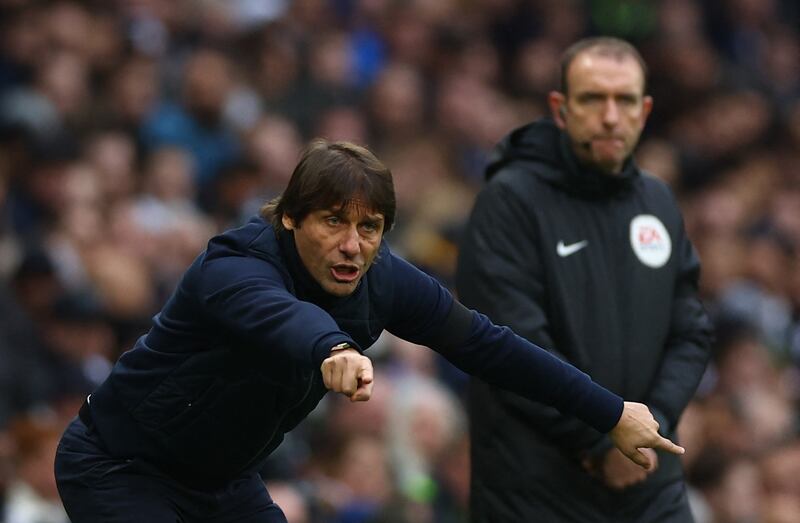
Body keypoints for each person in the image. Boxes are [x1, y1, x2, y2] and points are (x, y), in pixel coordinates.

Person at [55, 139, 682, 523]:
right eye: (333, 221)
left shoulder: (386, 280)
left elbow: (491, 348)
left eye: (372, 226)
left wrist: (609, 412)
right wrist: (334, 347)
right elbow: (283, 316)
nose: (353, 245)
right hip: (120, 465)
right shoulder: (232, 267)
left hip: (220, 485)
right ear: (292, 218)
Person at [456, 37, 713, 522]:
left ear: (645, 109)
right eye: (594, 99)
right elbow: (508, 346)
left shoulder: (658, 202)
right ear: (561, 108)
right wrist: (602, 436)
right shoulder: (509, 201)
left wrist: (645, 428)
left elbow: (691, 331)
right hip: (535, 491)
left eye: (625, 100)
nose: (611, 116)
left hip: (647, 484)